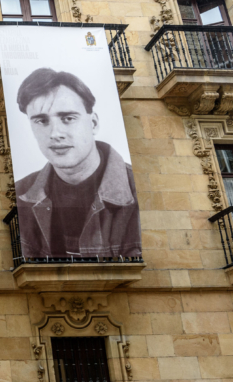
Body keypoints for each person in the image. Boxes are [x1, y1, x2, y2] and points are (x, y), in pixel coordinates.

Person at [13, 67, 141, 259]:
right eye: (41, 121)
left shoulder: (138, 189)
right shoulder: (20, 194)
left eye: (68, 118)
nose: (55, 134)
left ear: (94, 123)